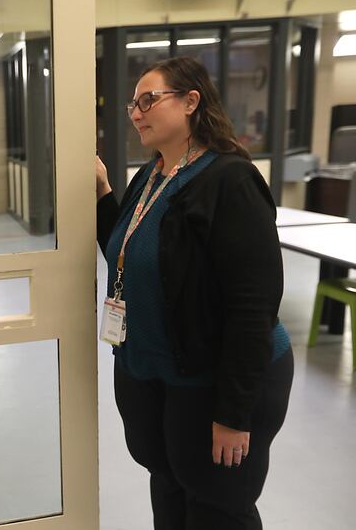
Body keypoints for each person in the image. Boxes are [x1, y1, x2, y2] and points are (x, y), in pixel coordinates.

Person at [95, 56, 293, 530]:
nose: (137, 112)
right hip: (159, 376)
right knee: (169, 486)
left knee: (217, 505)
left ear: (190, 102)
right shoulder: (152, 175)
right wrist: (104, 194)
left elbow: (253, 307)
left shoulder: (231, 180)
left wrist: (232, 413)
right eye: (132, 105)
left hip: (216, 379)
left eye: (149, 100)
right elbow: (132, 259)